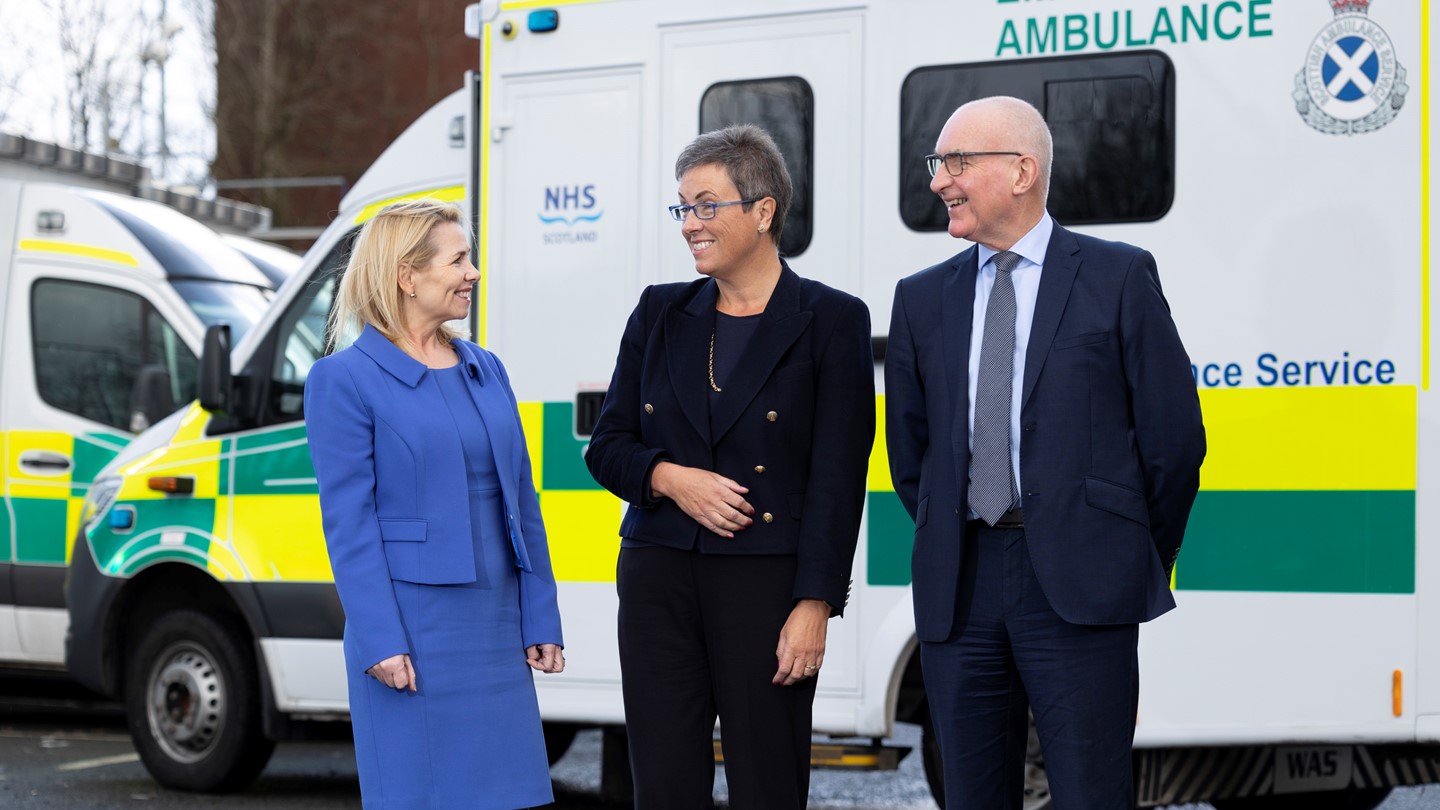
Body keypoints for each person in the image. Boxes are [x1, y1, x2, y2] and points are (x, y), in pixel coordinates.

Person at [885, 96, 1206, 808]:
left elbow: (1174, 441)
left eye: (957, 162)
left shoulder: (1118, 277)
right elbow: (912, 457)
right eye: (939, 163)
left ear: (1023, 171)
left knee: (1092, 793)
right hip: (961, 585)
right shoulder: (920, 298)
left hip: (1084, 584)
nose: (939, 180)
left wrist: (1124, 550)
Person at [585, 124, 874, 809]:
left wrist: (815, 604)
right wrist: (668, 478)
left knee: (768, 783)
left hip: (767, 585)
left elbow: (838, 477)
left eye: (706, 205)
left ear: (763, 210)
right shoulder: (660, 311)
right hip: (659, 578)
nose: (690, 224)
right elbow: (608, 444)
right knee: (663, 785)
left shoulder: (832, 319)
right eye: (683, 207)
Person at [305, 199, 565, 809]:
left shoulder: (486, 368)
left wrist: (541, 614)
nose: (473, 273)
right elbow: (350, 524)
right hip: (413, 633)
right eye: (459, 259)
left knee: (513, 797)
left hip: (497, 630)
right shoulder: (342, 380)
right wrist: (379, 639)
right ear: (407, 276)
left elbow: (522, 500)